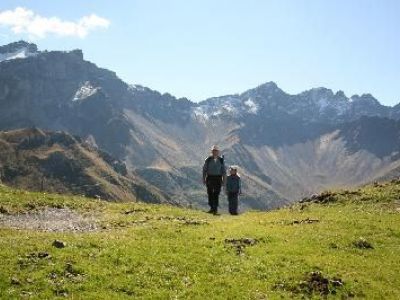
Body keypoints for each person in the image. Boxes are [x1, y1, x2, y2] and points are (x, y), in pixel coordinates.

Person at [202, 145, 226, 215]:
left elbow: (224, 171)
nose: (214, 152)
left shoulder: (221, 160)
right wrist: (203, 179)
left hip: (218, 178)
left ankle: (214, 209)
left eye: (216, 151)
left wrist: (224, 181)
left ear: (218, 152)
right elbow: (204, 170)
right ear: (211, 152)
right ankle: (211, 208)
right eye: (213, 151)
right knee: (210, 193)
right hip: (210, 178)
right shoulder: (208, 160)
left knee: (216, 194)